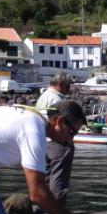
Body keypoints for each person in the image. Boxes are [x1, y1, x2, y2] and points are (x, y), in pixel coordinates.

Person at [35, 72, 77, 205]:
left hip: (43, 142)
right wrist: (69, 135)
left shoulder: (43, 97)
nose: (69, 88)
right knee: (59, 179)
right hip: (57, 142)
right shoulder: (57, 100)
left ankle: (43, 208)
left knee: (46, 178)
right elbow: (60, 124)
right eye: (68, 85)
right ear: (60, 84)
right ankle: (57, 210)